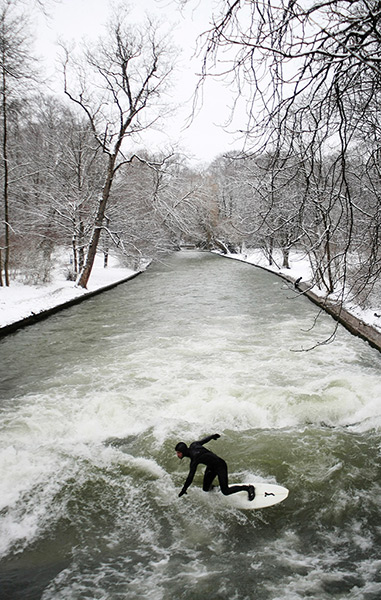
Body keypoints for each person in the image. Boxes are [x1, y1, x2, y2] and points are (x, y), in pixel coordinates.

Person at [175, 433, 255, 501]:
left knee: (226, 491)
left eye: (179, 453)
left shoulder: (195, 458)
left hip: (220, 466)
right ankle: (216, 487)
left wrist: (184, 489)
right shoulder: (194, 445)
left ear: (184, 451)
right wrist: (212, 436)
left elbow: (190, 477)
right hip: (211, 467)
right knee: (206, 488)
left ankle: (248, 488)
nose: (177, 455)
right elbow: (204, 440)